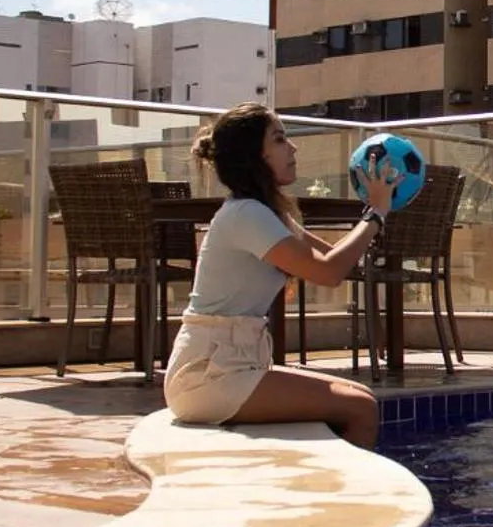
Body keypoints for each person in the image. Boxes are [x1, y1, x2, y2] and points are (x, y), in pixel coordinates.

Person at [163, 102, 397, 447]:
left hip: (231, 365)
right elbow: (329, 271)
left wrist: (372, 215)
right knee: (360, 409)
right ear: (254, 156)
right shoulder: (246, 214)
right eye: (280, 139)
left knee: (360, 394)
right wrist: (375, 213)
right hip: (205, 377)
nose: (293, 147)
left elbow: (332, 258)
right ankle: (344, 499)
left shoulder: (266, 214)